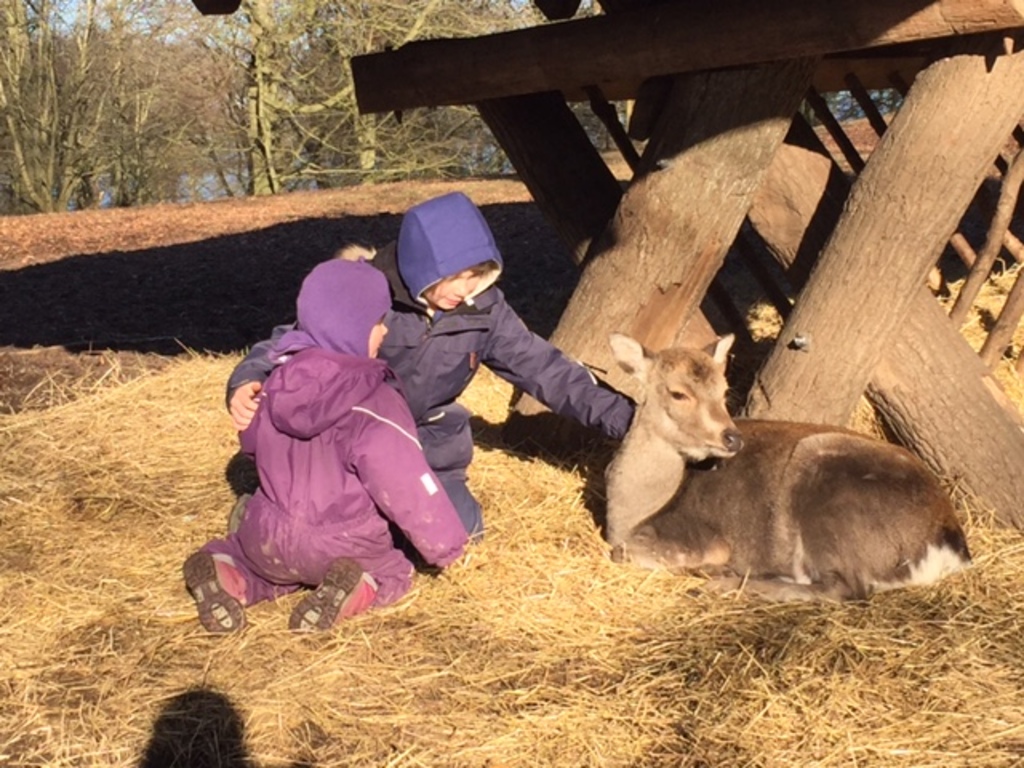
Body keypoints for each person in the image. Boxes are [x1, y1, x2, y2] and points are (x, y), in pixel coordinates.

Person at [228, 191, 635, 538]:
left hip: (427, 445)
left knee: (459, 533)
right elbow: (294, 340)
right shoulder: (363, 289)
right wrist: (249, 377)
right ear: (424, 263)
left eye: (477, 274)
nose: (467, 288)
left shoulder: (484, 310)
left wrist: (628, 420)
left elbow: (547, 370)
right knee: (341, 531)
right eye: (456, 276)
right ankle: (268, 514)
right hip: (352, 443)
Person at [184, 258, 468, 633]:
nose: (384, 332)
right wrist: (448, 547)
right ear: (356, 327)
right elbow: (406, 484)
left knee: (254, 562)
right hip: (347, 543)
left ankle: (226, 572)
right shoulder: (377, 402)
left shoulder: (278, 381)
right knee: (392, 572)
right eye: (378, 322)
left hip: (269, 537)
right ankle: (352, 590)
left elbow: (251, 444)